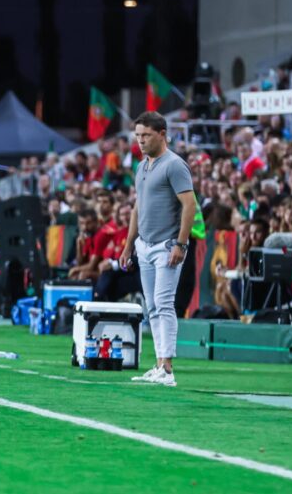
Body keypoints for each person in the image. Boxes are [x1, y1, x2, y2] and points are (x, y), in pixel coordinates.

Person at [119, 112, 196, 387]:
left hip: (166, 246)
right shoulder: (142, 167)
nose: (140, 141)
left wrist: (181, 243)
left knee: (164, 304)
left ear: (162, 134)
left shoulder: (175, 165)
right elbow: (138, 207)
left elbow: (190, 205)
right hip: (145, 245)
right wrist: (129, 244)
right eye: (138, 136)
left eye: (146, 135)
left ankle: (168, 367)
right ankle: (159, 364)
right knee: (152, 306)